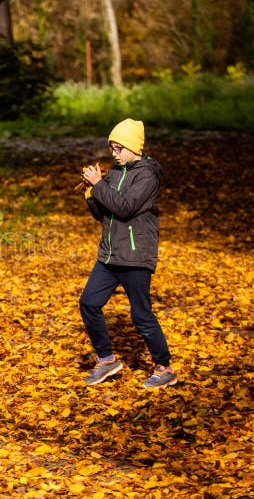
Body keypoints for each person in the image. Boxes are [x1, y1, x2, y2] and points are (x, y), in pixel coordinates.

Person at [79, 118, 177, 389]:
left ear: (133, 147)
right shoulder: (115, 173)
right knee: (88, 303)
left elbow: (124, 207)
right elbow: (104, 214)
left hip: (135, 256)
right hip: (110, 255)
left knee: (141, 315)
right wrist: (90, 193)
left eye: (119, 147)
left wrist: (99, 185)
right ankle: (107, 359)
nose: (114, 153)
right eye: (112, 147)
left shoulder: (146, 175)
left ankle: (164, 367)